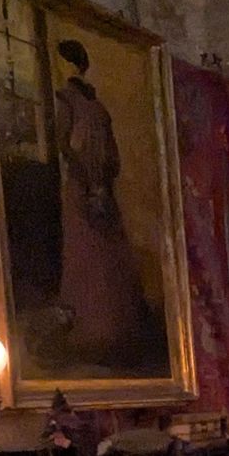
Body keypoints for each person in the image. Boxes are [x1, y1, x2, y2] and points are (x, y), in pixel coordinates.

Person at [52, 38, 152, 359]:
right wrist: (102, 183)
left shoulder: (68, 100)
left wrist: (88, 178)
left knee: (86, 253)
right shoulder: (98, 107)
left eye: (60, 61)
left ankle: (94, 329)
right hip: (100, 188)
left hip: (82, 186)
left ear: (70, 64)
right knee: (103, 253)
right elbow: (113, 158)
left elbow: (65, 144)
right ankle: (114, 327)